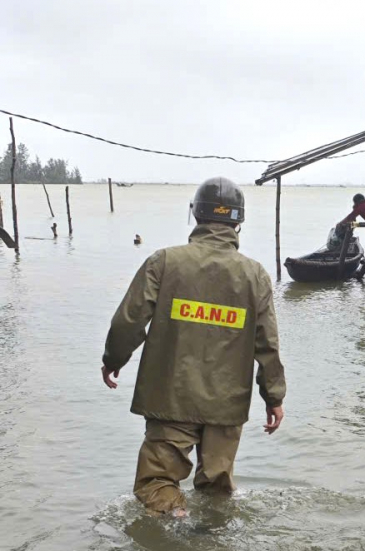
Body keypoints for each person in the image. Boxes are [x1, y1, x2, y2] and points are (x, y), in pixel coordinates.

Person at [100, 177, 286, 516]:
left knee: (157, 482)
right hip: (227, 404)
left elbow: (129, 321)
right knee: (217, 491)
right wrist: (274, 397)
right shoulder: (255, 275)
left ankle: (174, 518)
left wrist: (113, 359)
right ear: (238, 222)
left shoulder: (164, 262)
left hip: (171, 397)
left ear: (196, 215)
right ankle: (211, 535)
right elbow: (267, 344)